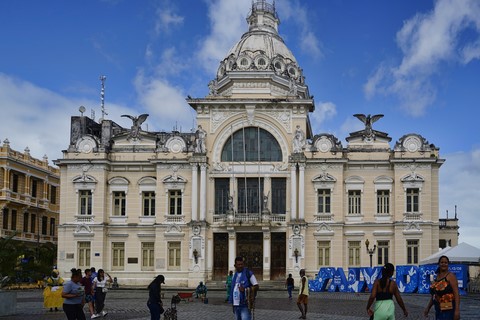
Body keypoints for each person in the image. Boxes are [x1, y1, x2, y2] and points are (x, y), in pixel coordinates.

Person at [424, 255, 460, 320]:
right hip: (438, 308)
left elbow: (456, 294)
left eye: (445, 263)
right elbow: (434, 295)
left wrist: (457, 310)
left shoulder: (451, 276)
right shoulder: (437, 277)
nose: (444, 264)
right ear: (439, 264)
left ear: (448, 264)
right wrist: (428, 308)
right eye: (442, 262)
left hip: (448, 309)